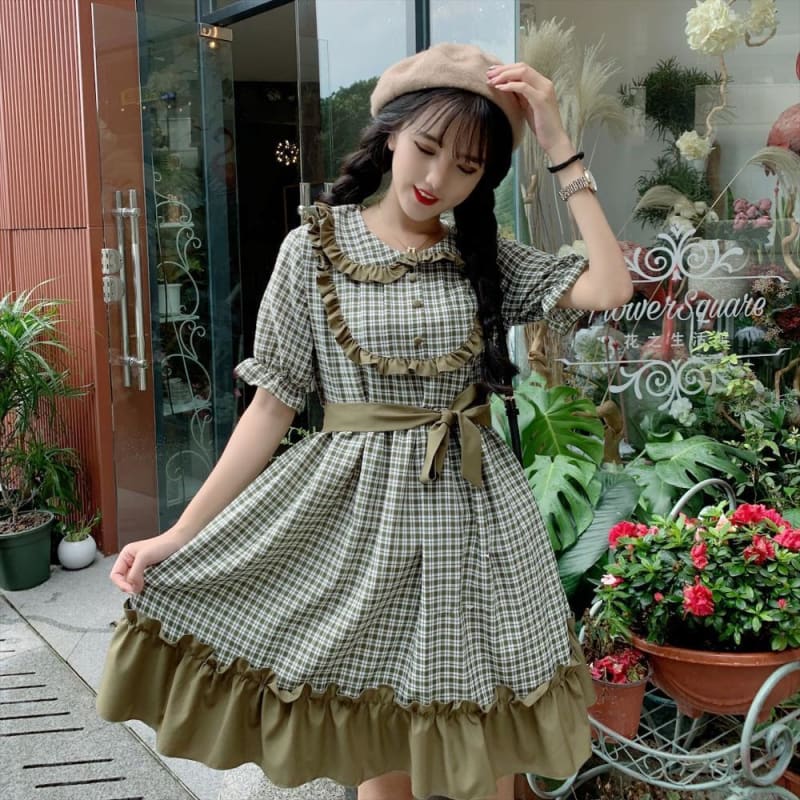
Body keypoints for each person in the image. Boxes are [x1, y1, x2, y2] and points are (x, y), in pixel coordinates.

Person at [97, 42, 632, 800]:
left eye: (467, 168)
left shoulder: (483, 256)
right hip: (360, 530)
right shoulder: (312, 250)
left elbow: (609, 287)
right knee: (379, 749)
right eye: (426, 147)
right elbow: (271, 407)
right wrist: (179, 535)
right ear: (390, 133)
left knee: (489, 751)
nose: (437, 179)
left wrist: (558, 144)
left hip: (479, 530)